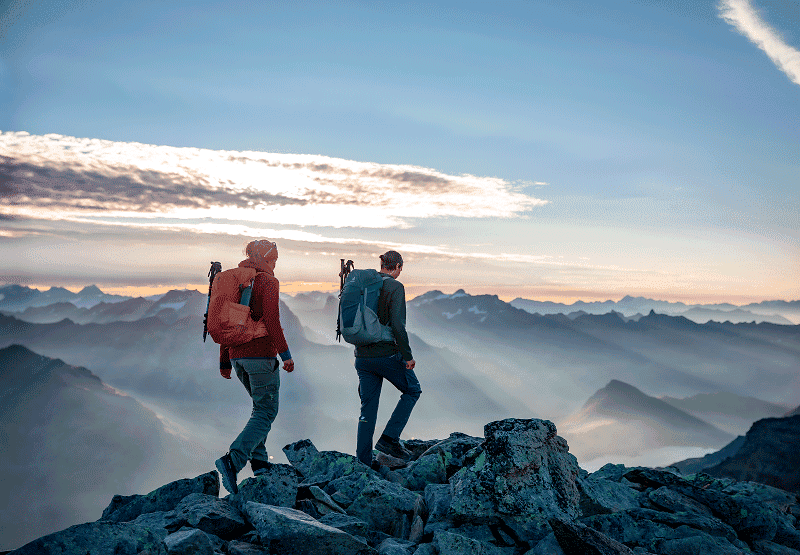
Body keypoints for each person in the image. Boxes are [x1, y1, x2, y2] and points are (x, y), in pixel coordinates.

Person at [215, 239, 294, 495]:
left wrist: (225, 360)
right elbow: (272, 319)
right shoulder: (267, 282)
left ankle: (260, 463)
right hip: (261, 357)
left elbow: (229, 322)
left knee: (259, 409)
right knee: (266, 411)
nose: (275, 264)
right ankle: (233, 461)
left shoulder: (238, 281)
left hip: (238, 358)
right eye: (274, 260)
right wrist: (286, 354)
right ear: (266, 259)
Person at [354, 250, 421, 468]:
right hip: (387, 354)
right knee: (412, 390)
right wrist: (408, 356)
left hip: (362, 356)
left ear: (382, 265)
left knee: (368, 408)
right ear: (399, 267)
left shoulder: (363, 285)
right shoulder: (395, 287)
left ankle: (363, 461)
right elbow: (398, 326)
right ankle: (389, 439)